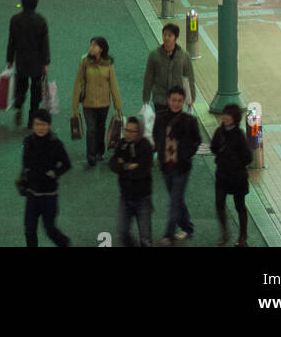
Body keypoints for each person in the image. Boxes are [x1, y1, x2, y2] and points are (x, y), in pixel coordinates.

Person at [18, 108, 72, 249]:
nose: (40, 128)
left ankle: (64, 243)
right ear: (33, 125)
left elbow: (67, 164)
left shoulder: (56, 144)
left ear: (49, 125)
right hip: (32, 194)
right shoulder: (28, 142)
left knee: (50, 230)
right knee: (29, 230)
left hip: (49, 195)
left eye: (43, 125)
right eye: (37, 124)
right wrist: (24, 178)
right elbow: (26, 164)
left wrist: (55, 172)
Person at [155, 87, 201, 243]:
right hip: (166, 165)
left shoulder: (189, 121)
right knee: (177, 199)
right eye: (173, 100)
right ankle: (187, 227)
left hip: (181, 167)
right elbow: (157, 136)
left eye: (179, 101)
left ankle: (169, 235)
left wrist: (187, 154)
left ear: (183, 102)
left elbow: (197, 140)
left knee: (175, 201)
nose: (176, 103)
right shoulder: (160, 118)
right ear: (168, 100)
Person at [71, 36, 123, 167]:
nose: (91, 48)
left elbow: (113, 85)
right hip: (88, 102)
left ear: (101, 49)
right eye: (90, 45)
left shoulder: (108, 63)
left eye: (94, 46)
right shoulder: (85, 62)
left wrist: (118, 106)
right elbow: (78, 82)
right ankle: (91, 154)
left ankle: (99, 150)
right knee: (91, 128)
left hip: (104, 103)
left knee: (101, 127)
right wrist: (75, 105)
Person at [6, 0, 51, 127]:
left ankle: (19, 107)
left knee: (21, 86)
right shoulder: (41, 21)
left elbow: (11, 41)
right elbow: (45, 44)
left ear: (22, 2)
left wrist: (10, 59)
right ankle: (32, 117)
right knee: (36, 90)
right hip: (36, 62)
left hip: (21, 60)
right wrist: (45, 63)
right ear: (36, 4)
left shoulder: (15, 20)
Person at [211, 102, 253, 246]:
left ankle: (242, 237)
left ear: (235, 118)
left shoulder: (240, 135)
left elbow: (248, 157)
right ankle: (225, 233)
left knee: (239, 206)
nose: (226, 118)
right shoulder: (219, 132)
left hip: (237, 177)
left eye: (229, 115)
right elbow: (213, 148)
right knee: (219, 203)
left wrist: (235, 163)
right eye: (225, 114)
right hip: (222, 175)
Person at [110, 117, 154, 248]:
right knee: (123, 232)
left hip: (143, 198)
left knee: (145, 238)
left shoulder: (146, 147)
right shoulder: (122, 144)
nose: (128, 133)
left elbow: (142, 172)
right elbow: (112, 164)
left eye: (132, 131)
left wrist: (123, 166)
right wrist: (128, 167)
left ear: (139, 132)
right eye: (126, 130)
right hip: (125, 196)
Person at [142, 23, 196, 114]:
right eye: (164, 35)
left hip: (177, 99)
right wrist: (145, 98)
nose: (166, 38)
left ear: (175, 37)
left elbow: (189, 78)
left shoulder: (183, 56)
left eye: (169, 35)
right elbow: (148, 77)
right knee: (161, 124)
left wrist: (191, 99)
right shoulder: (154, 55)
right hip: (160, 98)